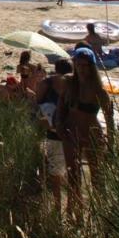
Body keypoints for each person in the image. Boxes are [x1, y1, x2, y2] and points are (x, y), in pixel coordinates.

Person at [58, 47, 114, 204]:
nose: (82, 69)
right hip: (71, 133)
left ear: (91, 67)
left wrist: (111, 143)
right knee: (73, 176)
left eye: (85, 65)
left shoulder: (99, 90)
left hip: (92, 134)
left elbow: (109, 118)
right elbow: (60, 108)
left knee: (96, 175)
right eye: (79, 65)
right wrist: (60, 127)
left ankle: (99, 208)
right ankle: (74, 210)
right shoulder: (68, 83)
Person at [36, 58, 73, 212]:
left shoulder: (50, 84)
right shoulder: (48, 84)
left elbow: (37, 105)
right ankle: (63, 206)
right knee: (62, 172)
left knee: (60, 172)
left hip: (62, 133)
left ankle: (65, 206)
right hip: (61, 133)